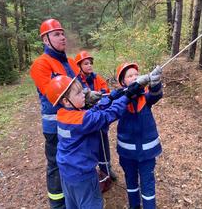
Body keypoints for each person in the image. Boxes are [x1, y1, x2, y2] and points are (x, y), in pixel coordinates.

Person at [45, 75, 143, 209]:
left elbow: (91, 112)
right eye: (78, 93)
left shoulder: (63, 114)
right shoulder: (82, 120)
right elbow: (107, 115)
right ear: (66, 101)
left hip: (67, 173)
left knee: (73, 205)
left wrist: (110, 98)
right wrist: (126, 98)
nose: (83, 95)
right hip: (83, 175)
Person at [30, 18, 80, 209]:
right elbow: (53, 95)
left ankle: (73, 197)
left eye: (62, 33)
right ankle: (57, 203)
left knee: (74, 160)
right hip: (54, 125)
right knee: (56, 164)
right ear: (45, 40)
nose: (62, 37)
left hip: (75, 122)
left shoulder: (71, 63)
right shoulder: (40, 65)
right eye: (56, 34)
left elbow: (81, 89)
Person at [115, 62, 163, 209]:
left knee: (147, 182)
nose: (135, 77)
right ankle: (134, 205)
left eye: (136, 74)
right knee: (131, 181)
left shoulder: (145, 97)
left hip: (147, 154)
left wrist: (155, 83)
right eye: (130, 76)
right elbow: (114, 103)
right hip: (127, 154)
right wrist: (129, 92)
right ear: (123, 82)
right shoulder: (120, 98)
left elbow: (156, 95)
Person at [75, 50, 117, 183]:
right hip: (85, 118)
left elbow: (106, 90)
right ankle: (91, 173)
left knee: (103, 144)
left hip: (98, 116)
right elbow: (75, 96)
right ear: (79, 66)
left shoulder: (96, 78)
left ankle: (106, 169)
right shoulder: (76, 81)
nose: (89, 66)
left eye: (90, 63)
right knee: (88, 145)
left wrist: (100, 95)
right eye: (86, 63)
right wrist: (87, 96)